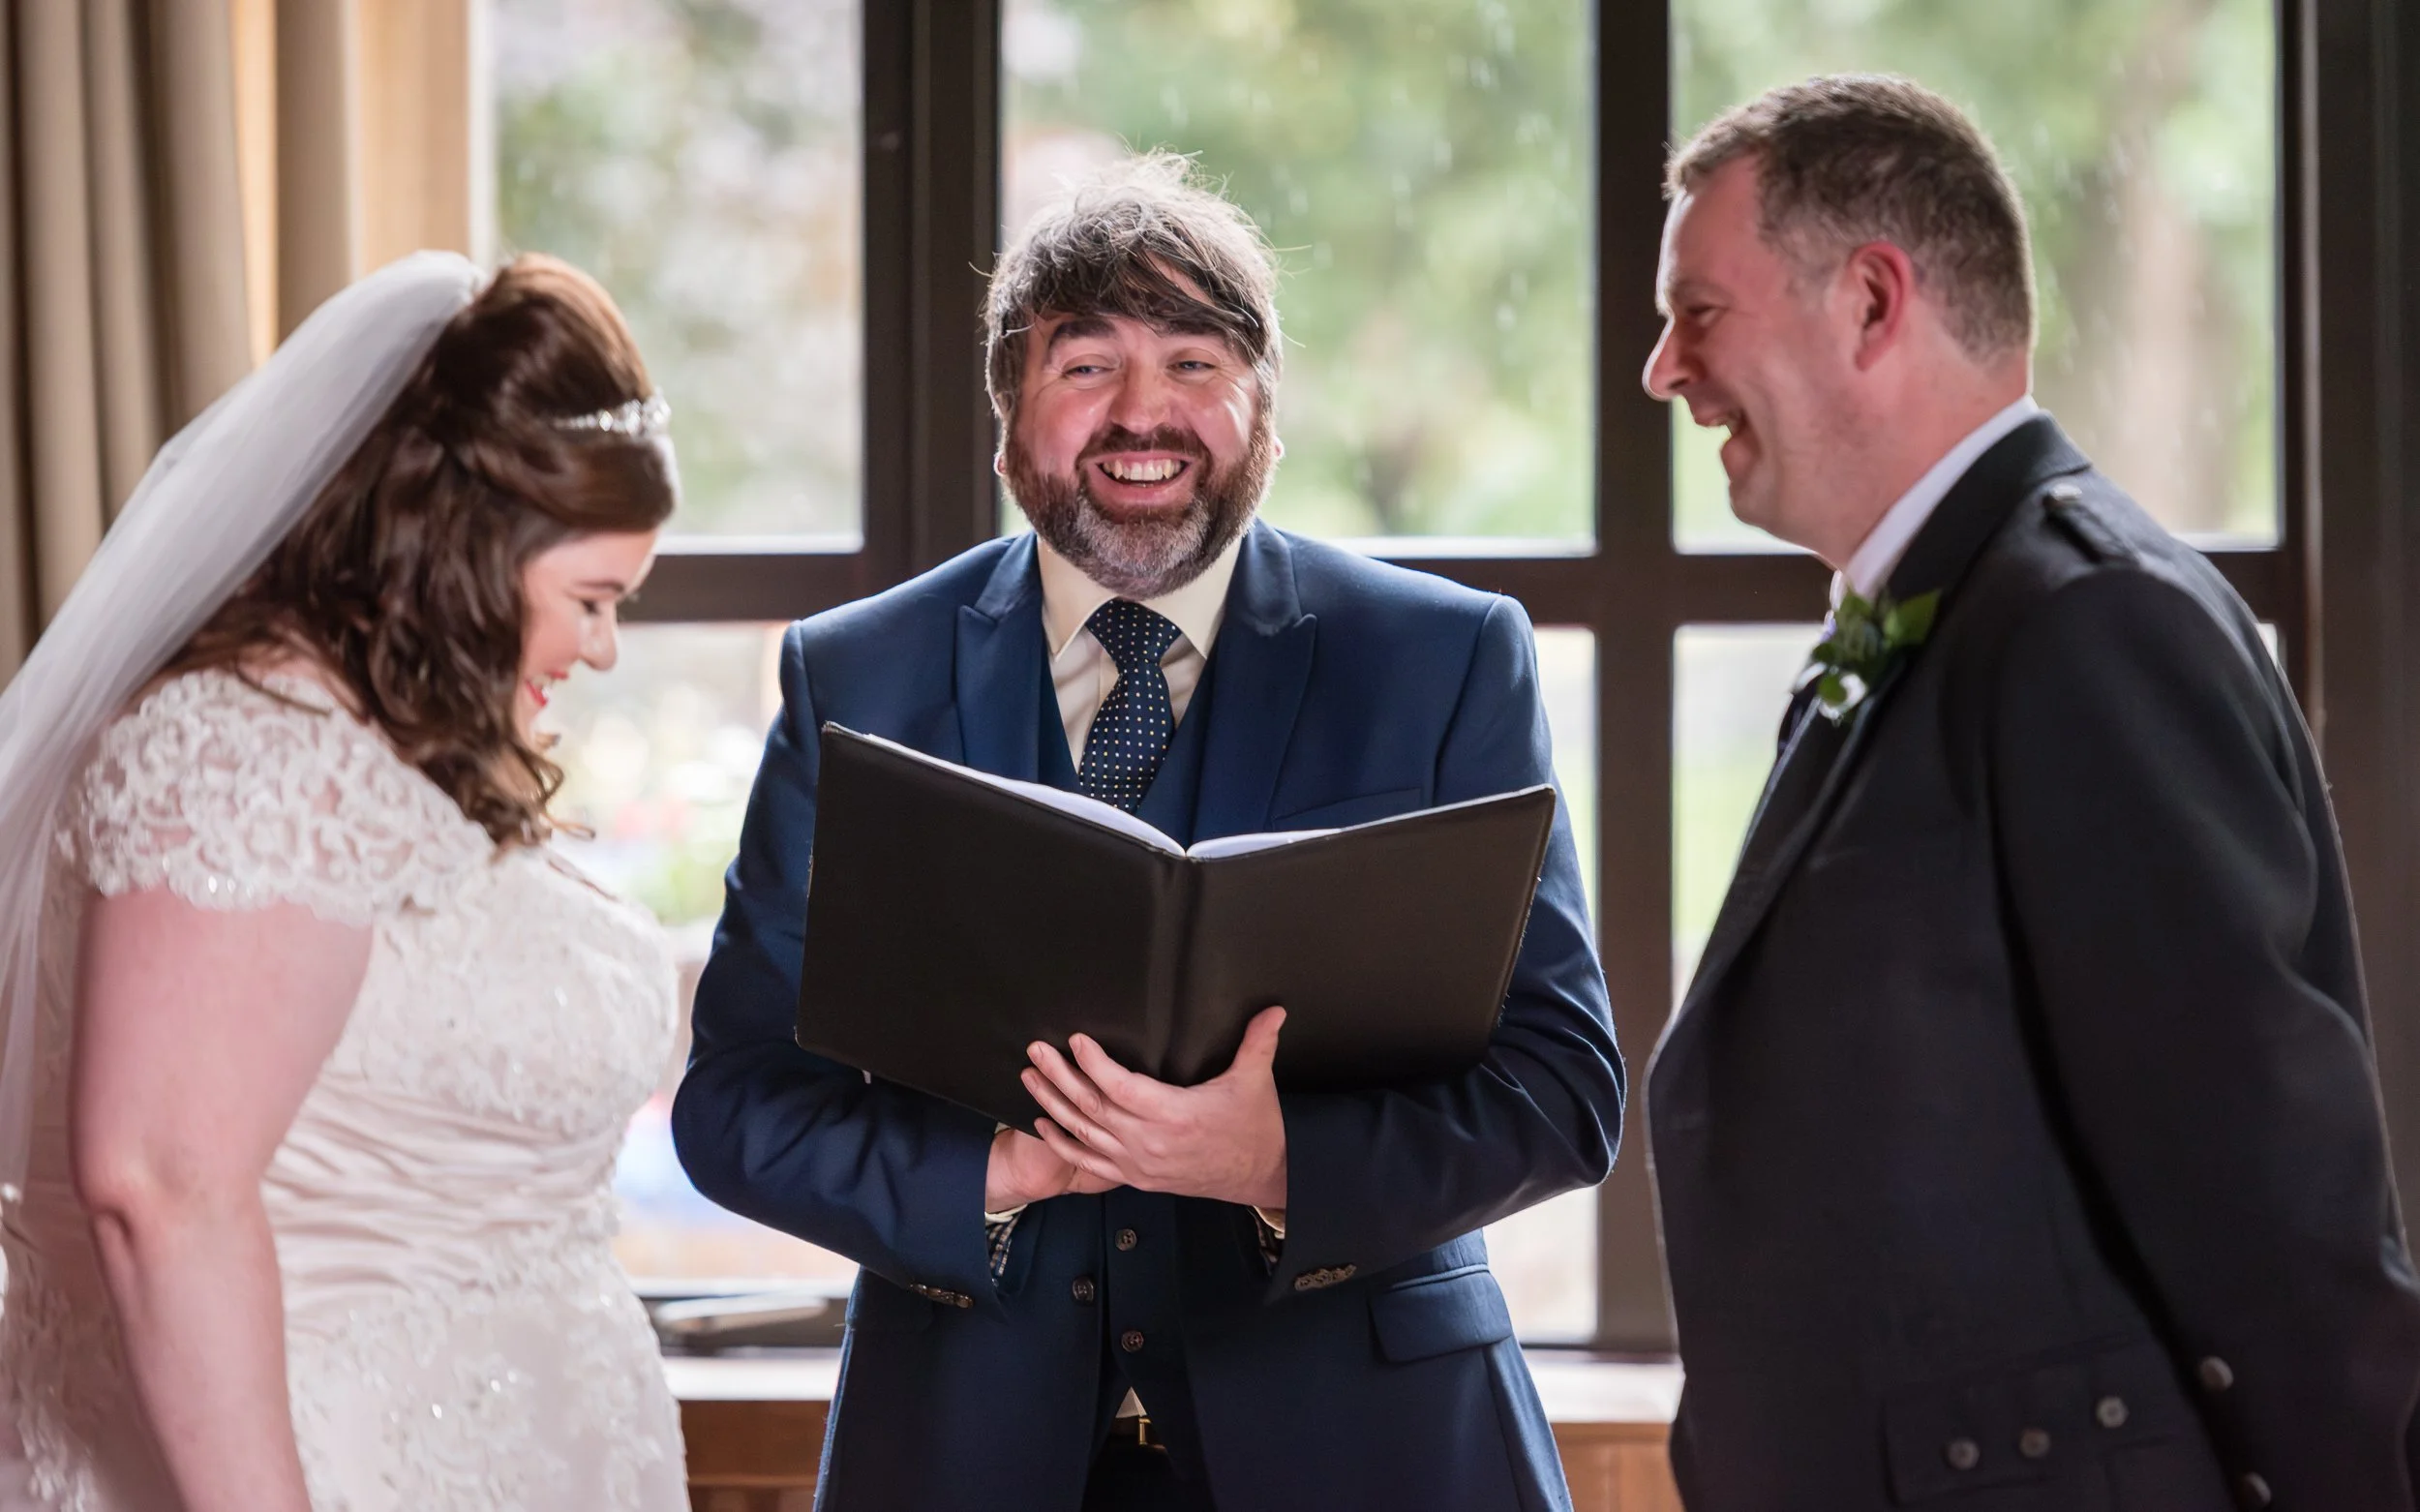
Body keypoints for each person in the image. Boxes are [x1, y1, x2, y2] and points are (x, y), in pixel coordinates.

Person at [673, 152, 1624, 1512]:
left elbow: (1564, 1086)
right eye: (1085, 366)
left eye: (1194, 364)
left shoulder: (1442, 659)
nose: (1143, 414)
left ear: (1265, 415)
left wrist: (1277, 1162)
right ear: (1007, 418)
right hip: (965, 1461)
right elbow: (736, 1102)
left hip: (1377, 1455)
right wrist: (990, 1176)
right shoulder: (857, 678)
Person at [1641, 74, 2420, 1511]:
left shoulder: (2081, 624)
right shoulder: (1945, 609)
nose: (1662, 371)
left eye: (1699, 313)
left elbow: (2265, 1198)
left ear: (1873, 302)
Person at [0, 252, 690, 1510]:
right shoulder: (244, 747)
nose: (601, 646)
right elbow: (158, 1185)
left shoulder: (388, 748)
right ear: (474, 546)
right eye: (592, 597)